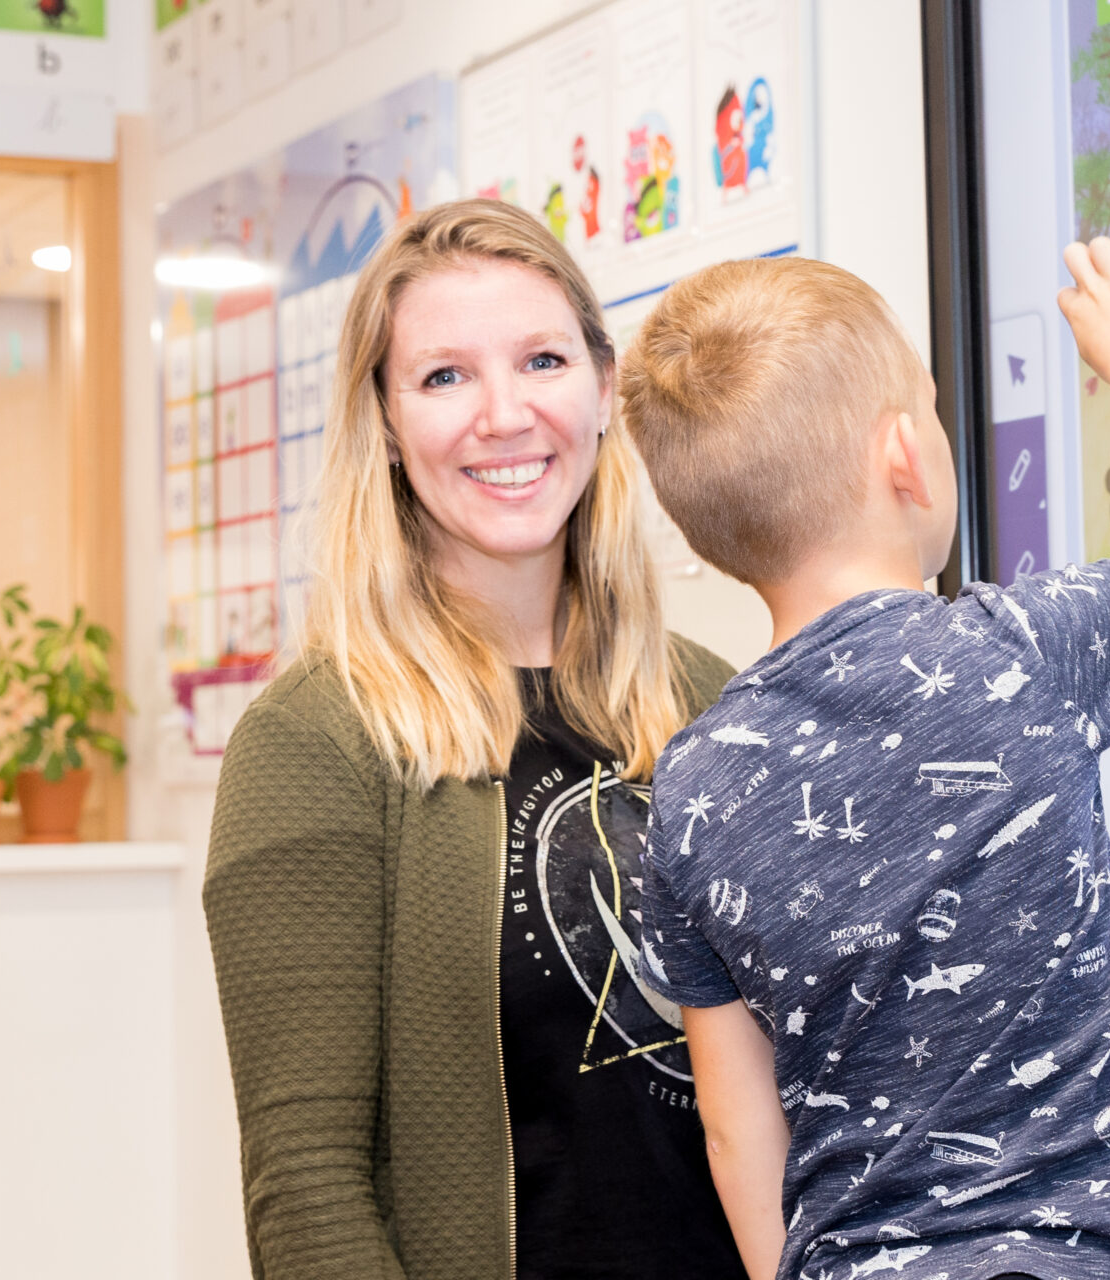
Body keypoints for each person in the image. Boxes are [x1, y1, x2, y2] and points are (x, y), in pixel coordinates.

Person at [620, 241, 1110, 1280]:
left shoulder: (691, 786)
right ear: (906, 456)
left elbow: (735, 1126)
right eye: (933, 405)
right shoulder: (1017, 653)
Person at [203, 199, 745, 1280]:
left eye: (542, 359)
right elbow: (307, 1192)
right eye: (444, 376)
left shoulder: (711, 700)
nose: (504, 414)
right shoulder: (315, 740)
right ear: (388, 425)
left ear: (602, 390)